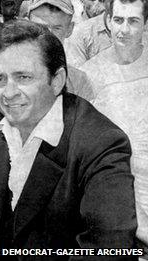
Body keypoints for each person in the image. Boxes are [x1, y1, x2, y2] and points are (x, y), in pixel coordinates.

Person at [0, 19, 137, 253]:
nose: (9, 93)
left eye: (24, 77)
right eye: (0, 80)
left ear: (57, 81)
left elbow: (109, 250)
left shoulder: (101, 143)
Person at [80, 0, 148, 247]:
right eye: (118, 20)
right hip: (119, 185)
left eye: (133, 21)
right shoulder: (91, 73)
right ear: (108, 21)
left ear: (145, 24)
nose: (124, 29)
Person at [28, 0, 95, 100]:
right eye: (41, 27)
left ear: (70, 29)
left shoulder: (78, 81)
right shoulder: (6, 70)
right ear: (26, 25)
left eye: (57, 28)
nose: (49, 35)